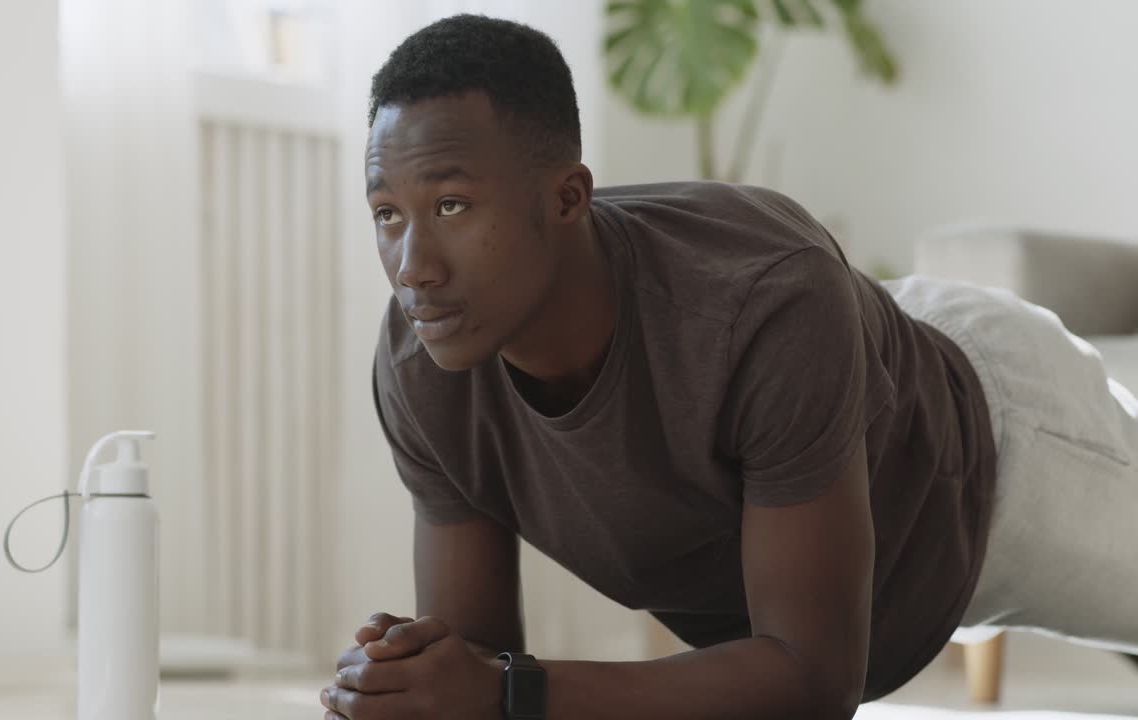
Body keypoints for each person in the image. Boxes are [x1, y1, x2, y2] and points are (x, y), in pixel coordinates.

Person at [318, 13, 1138, 720]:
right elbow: (483, 672)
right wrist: (416, 683)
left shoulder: (765, 301)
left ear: (569, 199)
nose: (412, 265)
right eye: (388, 214)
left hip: (994, 444)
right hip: (844, 376)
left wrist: (505, 692)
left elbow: (813, 681)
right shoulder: (424, 364)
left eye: (451, 206)